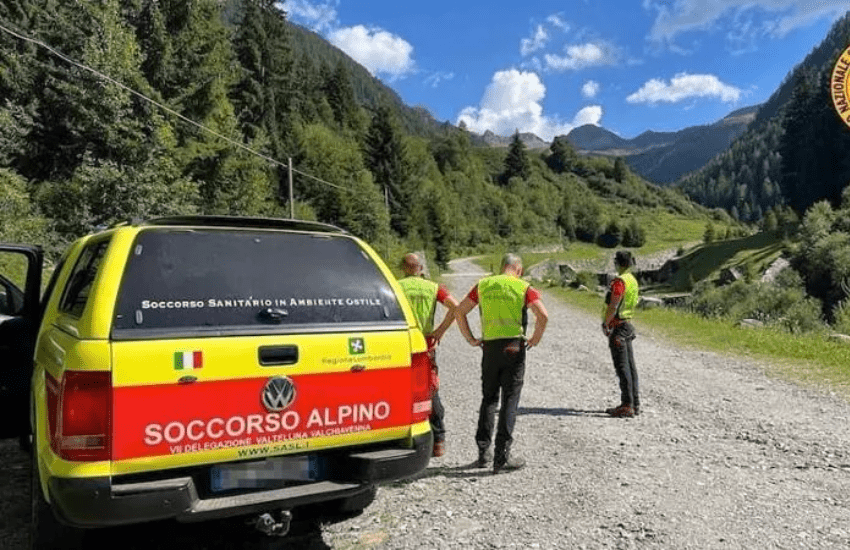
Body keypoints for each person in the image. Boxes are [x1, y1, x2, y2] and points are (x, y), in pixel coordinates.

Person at [455, 253, 548, 474]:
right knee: (509, 401)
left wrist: (470, 338)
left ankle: (483, 453)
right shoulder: (524, 287)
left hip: (489, 348)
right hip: (514, 348)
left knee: (488, 399)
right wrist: (535, 338)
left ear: (502, 266)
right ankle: (502, 457)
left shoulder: (483, 285)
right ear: (518, 269)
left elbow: (459, 311)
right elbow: (543, 315)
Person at [397, 253, 459, 457]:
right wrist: (440, 331)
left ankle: (403, 439)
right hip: (425, 345)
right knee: (429, 388)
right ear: (420, 268)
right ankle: (438, 440)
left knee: (400, 389)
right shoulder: (433, 287)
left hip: (400, 345)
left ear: (403, 268)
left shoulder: (395, 286)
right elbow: (456, 307)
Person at [601, 250, 640, 418]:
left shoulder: (619, 282)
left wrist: (606, 322)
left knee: (622, 367)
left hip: (618, 326)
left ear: (617, 263)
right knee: (630, 367)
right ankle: (634, 403)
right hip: (628, 323)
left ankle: (627, 405)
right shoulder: (632, 280)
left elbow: (614, 304)